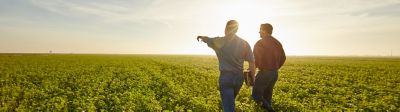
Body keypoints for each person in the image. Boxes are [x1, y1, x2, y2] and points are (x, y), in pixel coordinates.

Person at [197, 20, 256, 112]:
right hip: (239, 78)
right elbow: (252, 63)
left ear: (226, 28)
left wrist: (201, 37)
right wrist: (252, 79)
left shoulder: (219, 41)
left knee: (228, 107)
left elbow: (207, 39)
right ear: (236, 30)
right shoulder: (244, 43)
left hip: (226, 77)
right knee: (230, 102)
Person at [252, 23, 286, 112]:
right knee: (267, 97)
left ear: (264, 31)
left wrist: (251, 73)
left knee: (256, 96)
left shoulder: (260, 43)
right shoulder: (277, 43)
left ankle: (271, 111)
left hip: (264, 73)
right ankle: (269, 108)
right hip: (274, 73)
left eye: (260, 30)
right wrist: (275, 67)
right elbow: (284, 58)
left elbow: (256, 60)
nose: (258, 32)